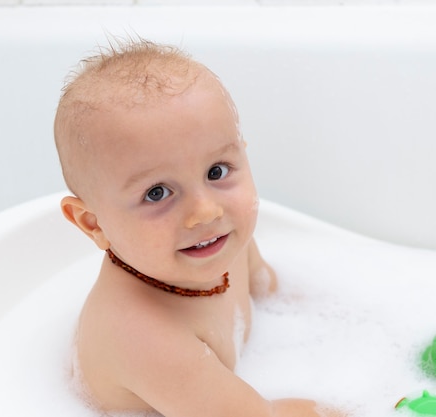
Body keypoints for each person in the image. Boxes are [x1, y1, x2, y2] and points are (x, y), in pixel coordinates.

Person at [54, 38, 345, 417]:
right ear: (93, 223)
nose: (205, 212)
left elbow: (268, 287)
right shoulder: (141, 337)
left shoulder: (221, 241)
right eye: (157, 193)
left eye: (217, 171)